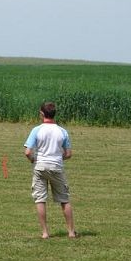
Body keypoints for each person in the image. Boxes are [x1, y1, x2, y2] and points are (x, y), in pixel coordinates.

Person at [23, 101, 77, 239]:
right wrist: (58, 158)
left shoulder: (36, 130)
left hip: (40, 166)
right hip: (56, 167)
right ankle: (71, 232)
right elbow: (69, 154)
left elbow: (28, 152)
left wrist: (33, 160)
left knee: (40, 199)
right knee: (64, 199)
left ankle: (45, 232)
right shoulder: (62, 131)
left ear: (42, 114)